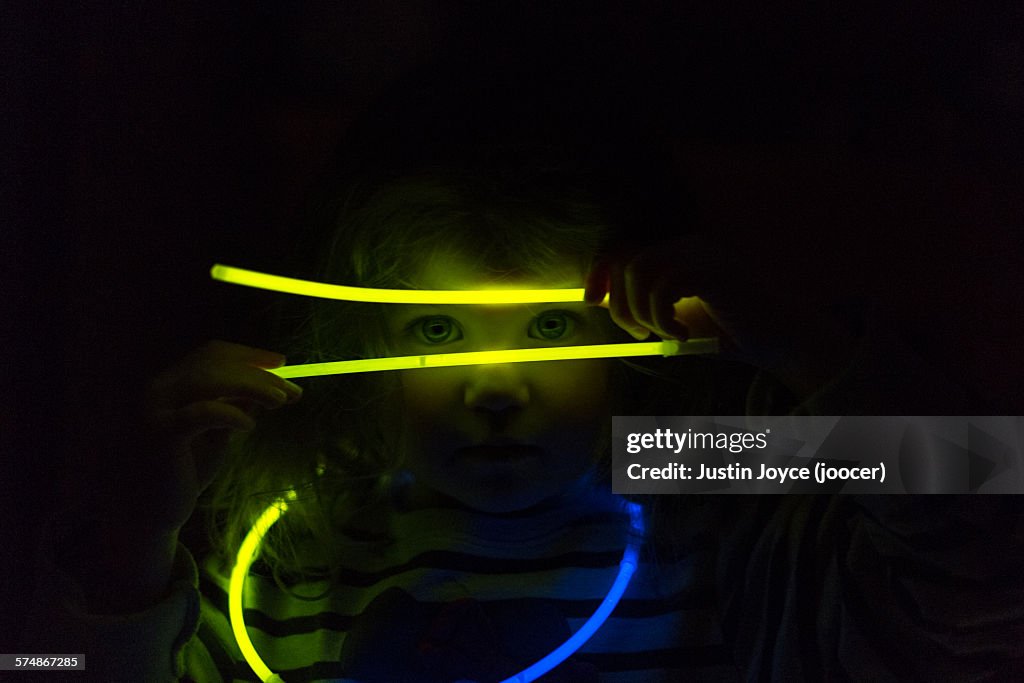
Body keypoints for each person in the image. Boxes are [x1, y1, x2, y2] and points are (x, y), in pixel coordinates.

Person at [22, 145, 1023, 682]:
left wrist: (806, 349)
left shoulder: (710, 484)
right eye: (435, 327)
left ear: (644, 345)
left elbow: (987, 540)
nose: (495, 382)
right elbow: (39, 665)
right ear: (364, 357)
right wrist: (131, 534)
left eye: (550, 326)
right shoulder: (300, 541)